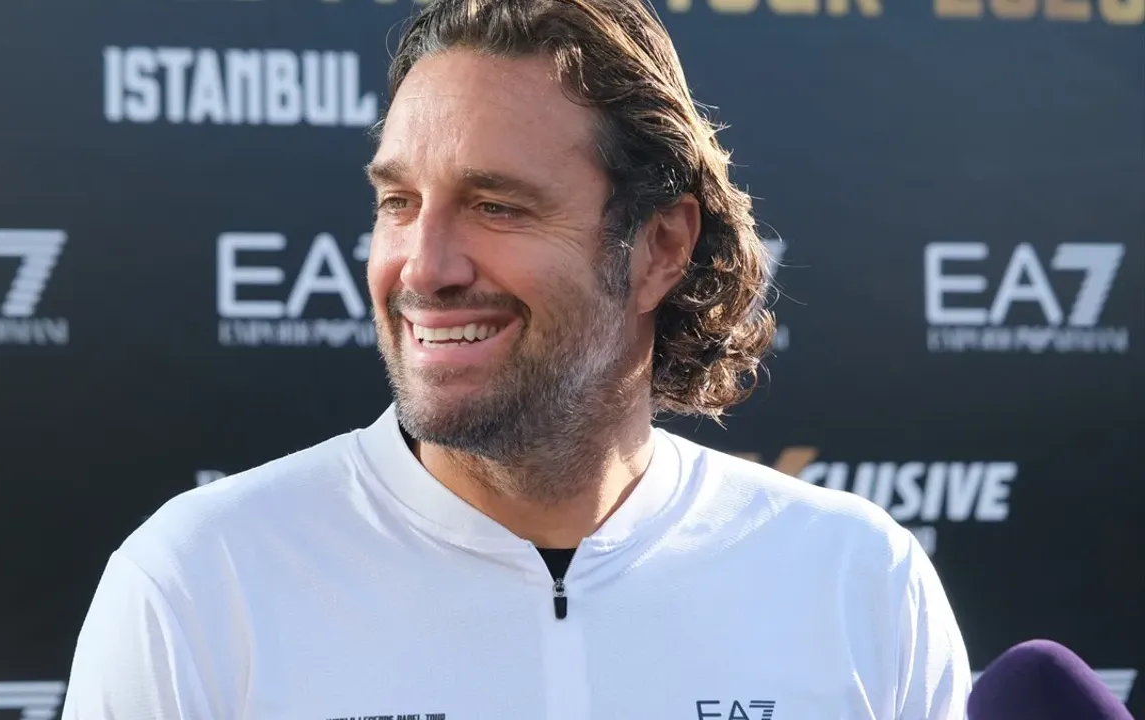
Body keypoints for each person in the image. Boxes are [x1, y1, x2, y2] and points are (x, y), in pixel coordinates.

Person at [61, 0, 972, 716]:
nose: (425, 267)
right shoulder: (199, 584)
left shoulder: (857, 580)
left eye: (497, 206)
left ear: (659, 247)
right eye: (398, 203)